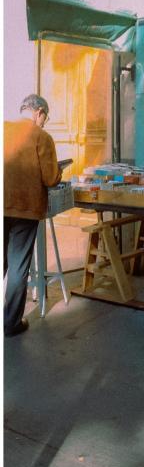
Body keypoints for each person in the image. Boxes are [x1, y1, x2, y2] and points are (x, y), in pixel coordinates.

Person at [4, 94, 62, 336]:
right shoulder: (42, 137)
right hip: (25, 208)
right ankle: (11, 324)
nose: (44, 123)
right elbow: (50, 178)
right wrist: (58, 172)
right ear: (38, 112)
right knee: (18, 266)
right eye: (45, 118)